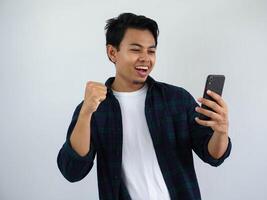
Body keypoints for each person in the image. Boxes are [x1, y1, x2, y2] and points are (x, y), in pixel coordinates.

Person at [57, 12, 232, 200]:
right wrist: (85, 114)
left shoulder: (176, 99)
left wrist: (221, 132)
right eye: (135, 50)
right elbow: (73, 171)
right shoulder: (94, 108)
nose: (145, 58)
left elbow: (213, 156)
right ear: (112, 52)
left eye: (151, 51)